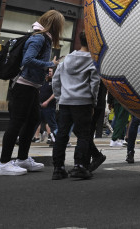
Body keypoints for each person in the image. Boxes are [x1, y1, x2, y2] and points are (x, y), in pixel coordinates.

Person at [0, 10, 62, 176]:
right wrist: (49, 64)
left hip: (32, 86)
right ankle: (3, 163)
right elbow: (27, 60)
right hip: (23, 86)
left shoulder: (44, 38)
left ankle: (22, 158)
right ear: (54, 25)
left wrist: (45, 70)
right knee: (16, 123)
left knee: (33, 120)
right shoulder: (39, 38)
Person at [51, 31, 100, 180]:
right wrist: (94, 101)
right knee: (83, 135)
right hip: (83, 102)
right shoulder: (93, 61)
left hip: (66, 102)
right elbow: (94, 84)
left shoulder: (66, 59)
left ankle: (58, 169)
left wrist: (60, 98)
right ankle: (79, 166)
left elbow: (55, 80)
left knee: (62, 135)